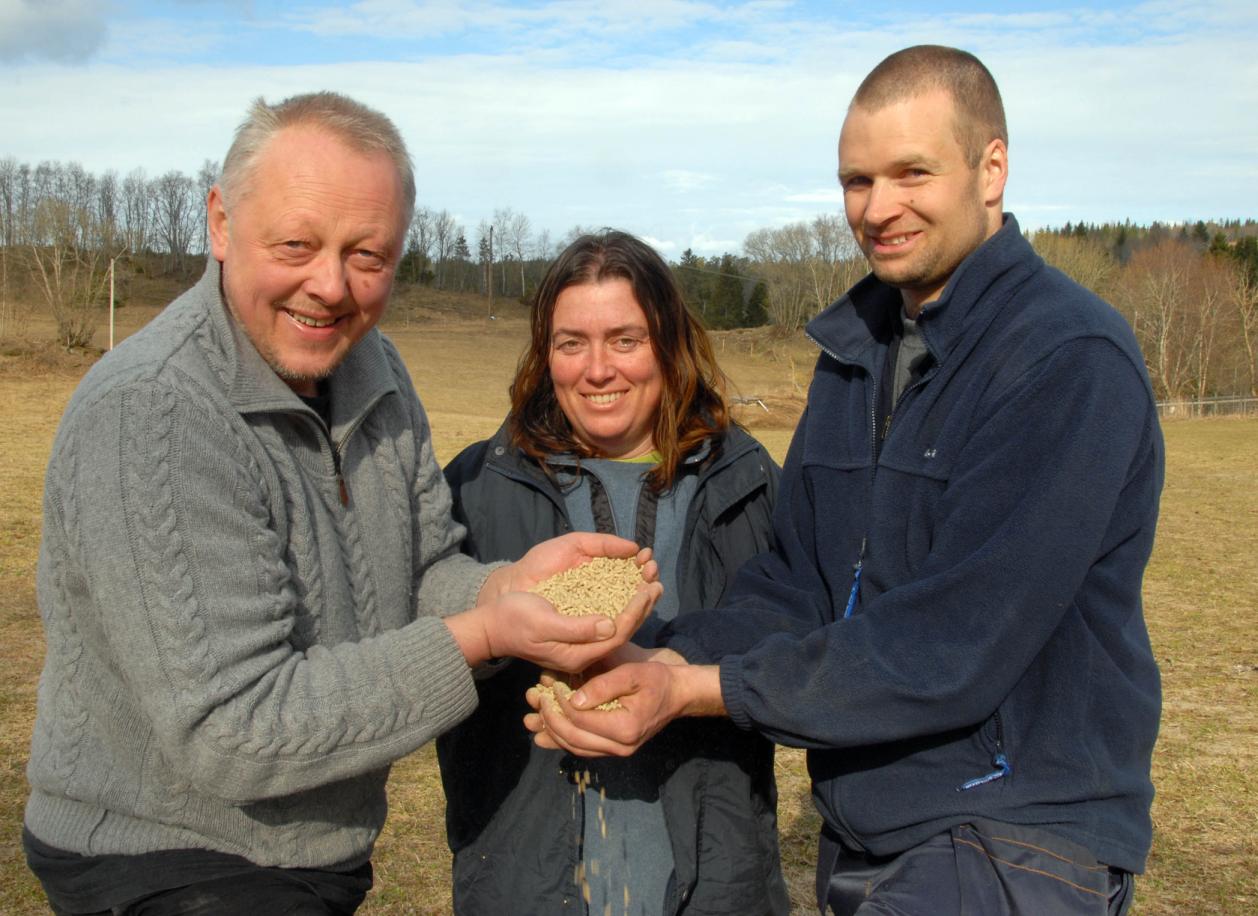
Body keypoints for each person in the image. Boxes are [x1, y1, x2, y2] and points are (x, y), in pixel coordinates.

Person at [529, 46, 1164, 916]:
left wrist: (694, 690)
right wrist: (658, 656)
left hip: (1011, 834)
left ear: (992, 167)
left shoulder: (1064, 357)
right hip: (867, 831)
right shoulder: (856, 359)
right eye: (856, 180)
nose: (878, 207)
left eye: (912, 173)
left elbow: (954, 644)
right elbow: (798, 589)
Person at [22, 92, 658, 916]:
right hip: (165, 860)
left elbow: (424, 568)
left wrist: (506, 591)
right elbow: (235, 728)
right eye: (296, 244)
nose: (329, 286)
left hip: (311, 851)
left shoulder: (373, 370)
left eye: (368, 255)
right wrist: (485, 633)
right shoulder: (152, 412)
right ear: (220, 222)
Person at [438, 230, 788, 915]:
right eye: (571, 344)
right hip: (523, 885)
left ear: (668, 343)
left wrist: (679, 677)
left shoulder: (746, 484)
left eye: (625, 340)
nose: (598, 370)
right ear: (545, 355)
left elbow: (797, 650)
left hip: (717, 887)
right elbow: (419, 645)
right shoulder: (476, 486)